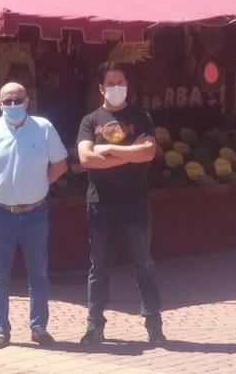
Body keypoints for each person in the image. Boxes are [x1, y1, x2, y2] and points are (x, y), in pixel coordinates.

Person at [0, 81, 69, 350]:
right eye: (7, 101)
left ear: (28, 101)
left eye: (18, 100)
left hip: (35, 214)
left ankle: (39, 328)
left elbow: (60, 164)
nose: (13, 105)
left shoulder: (44, 127)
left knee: (39, 274)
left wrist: (41, 184)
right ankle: (1, 329)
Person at [76, 62, 164, 346]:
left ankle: (154, 323)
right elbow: (87, 159)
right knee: (98, 267)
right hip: (100, 203)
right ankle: (94, 325)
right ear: (101, 88)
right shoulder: (90, 121)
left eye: (121, 82)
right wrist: (131, 152)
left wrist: (110, 150)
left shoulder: (141, 117)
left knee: (144, 263)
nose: (117, 88)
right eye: (111, 83)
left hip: (135, 203)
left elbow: (149, 153)